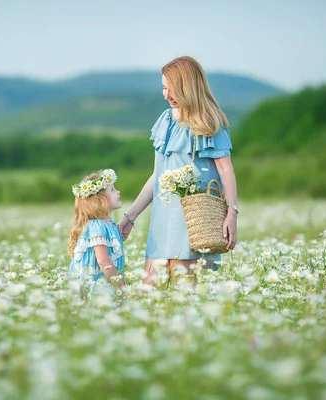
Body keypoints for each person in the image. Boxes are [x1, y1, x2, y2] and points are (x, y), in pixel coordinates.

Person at [118, 56, 238, 285]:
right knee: (150, 292)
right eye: (164, 88)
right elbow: (158, 176)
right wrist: (130, 216)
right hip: (163, 219)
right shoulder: (166, 120)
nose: (166, 94)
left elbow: (225, 169)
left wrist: (232, 213)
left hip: (193, 219)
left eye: (172, 89)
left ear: (188, 87)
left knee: (185, 296)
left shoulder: (209, 121)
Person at [68, 168, 127, 296]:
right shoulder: (97, 226)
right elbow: (103, 261)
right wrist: (120, 286)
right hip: (95, 286)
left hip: (106, 283)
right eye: (112, 190)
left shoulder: (110, 224)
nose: (118, 192)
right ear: (100, 200)